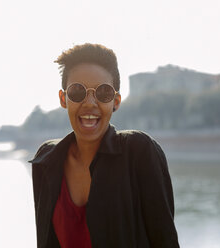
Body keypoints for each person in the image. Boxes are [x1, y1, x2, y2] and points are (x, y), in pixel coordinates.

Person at [29, 43, 179, 248]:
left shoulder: (139, 151)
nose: (90, 103)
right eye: (77, 91)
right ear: (64, 99)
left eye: (103, 93)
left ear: (116, 101)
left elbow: (165, 241)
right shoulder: (47, 160)